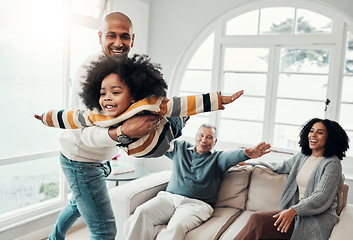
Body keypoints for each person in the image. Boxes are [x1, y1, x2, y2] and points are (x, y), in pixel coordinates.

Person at [45, 12, 167, 240]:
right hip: (80, 159)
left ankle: (53, 238)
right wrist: (122, 132)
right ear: (100, 36)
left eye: (125, 36)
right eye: (111, 35)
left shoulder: (128, 70)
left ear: (133, 39)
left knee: (77, 203)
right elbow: (83, 134)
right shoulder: (88, 73)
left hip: (100, 157)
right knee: (105, 232)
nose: (118, 43)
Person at [35, 54, 244, 158]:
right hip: (139, 149)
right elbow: (70, 117)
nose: (107, 99)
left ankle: (183, 121)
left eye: (115, 93)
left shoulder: (146, 104)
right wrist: (46, 117)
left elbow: (181, 104)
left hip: (164, 135)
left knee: (175, 117)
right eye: (102, 94)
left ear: (132, 96)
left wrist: (217, 100)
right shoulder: (98, 116)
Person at [123, 123, 272, 240]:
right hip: (168, 198)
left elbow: (232, 156)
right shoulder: (180, 148)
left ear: (215, 142)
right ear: (195, 137)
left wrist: (248, 153)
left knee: (177, 226)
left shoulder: (218, 158)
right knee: (142, 212)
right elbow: (160, 142)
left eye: (209, 137)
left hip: (196, 205)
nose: (204, 140)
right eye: (201, 135)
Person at [233, 118, 349, 240]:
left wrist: (294, 210)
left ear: (330, 138)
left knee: (258, 219)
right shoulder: (303, 156)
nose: (313, 135)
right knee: (259, 225)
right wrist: (252, 164)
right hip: (295, 214)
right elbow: (280, 166)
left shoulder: (332, 163)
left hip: (314, 218)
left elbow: (321, 196)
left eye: (320, 132)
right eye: (311, 131)